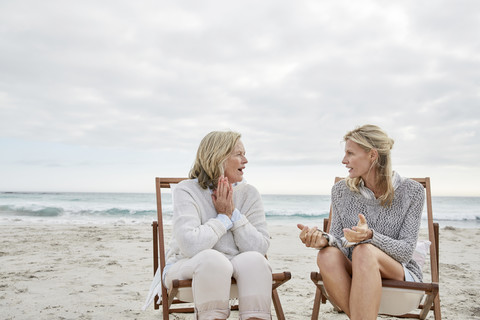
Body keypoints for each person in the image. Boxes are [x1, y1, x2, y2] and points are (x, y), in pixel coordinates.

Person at [298, 124, 425, 320]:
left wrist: (370, 237)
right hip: (356, 269)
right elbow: (340, 244)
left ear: (372, 155)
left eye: (350, 153)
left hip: (399, 271)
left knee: (364, 251)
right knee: (327, 256)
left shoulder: (412, 191)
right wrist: (323, 240)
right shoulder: (341, 191)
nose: (344, 160)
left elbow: (406, 252)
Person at [163, 130, 272, 320]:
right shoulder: (186, 190)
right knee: (213, 260)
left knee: (256, 260)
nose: (245, 160)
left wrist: (233, 214)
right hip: (188, 266)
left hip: (237, 266)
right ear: (218, 157)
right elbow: (190, 246)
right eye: (239, 154)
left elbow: (260, 247)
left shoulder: (250, 193)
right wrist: (222, 219)